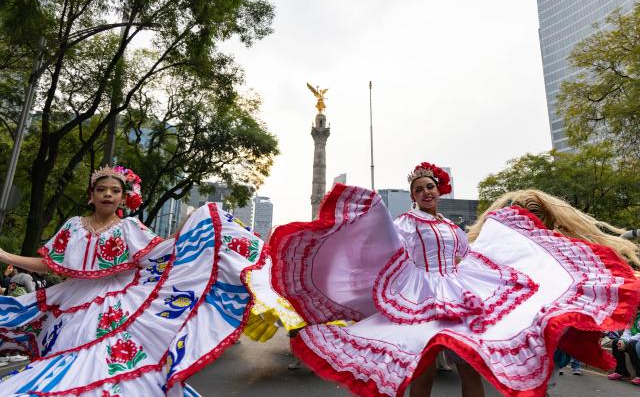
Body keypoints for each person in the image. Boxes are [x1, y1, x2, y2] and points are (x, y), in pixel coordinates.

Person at [268, 164, 640, 397]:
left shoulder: (452, 228)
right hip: (422, 294)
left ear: (438, 190)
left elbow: (468, 258)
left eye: (430, 187)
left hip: (460, 292)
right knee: (424, 366)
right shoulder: (405, 224)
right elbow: (392, 251)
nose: (426, 192)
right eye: (419, 190)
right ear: (413, 197)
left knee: (468, 362)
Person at [0, 165, 266, 395]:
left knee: (109, 363)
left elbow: (162, 253)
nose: (108, 194)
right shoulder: (72, 226)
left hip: (117, 305)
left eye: (115, 191)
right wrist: (6, 255)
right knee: (67, 361)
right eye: (101, 189)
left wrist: (195, 230)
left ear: (123, 199)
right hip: (71, 305)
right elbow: (50, 264)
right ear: (91, 196)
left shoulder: (130, 227)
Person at [607, 306, 640, 385]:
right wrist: (622, 341)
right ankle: (622, 371)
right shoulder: (632, 317)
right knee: (616, 342)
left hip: (636, 342)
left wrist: (627, 342)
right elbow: (627, 332)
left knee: (631, 345)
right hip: (633, 340)